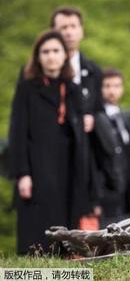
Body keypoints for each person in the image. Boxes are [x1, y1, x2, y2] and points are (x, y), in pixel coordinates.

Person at [8, 30, 97, 255]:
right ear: (38, 57)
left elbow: (82, 132)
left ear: (64, 55)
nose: (51, 56)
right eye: (45, 51)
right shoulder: (28, 88)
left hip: (68, 169)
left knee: (65, 234)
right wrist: (22, 174)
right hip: (37, 168)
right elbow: (17, 132)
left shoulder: (73, 89)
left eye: (56, 51)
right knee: (35, 233)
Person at [93, 68, 130, 227]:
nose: (112, 91)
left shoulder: (123, 118)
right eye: (107, 86)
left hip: (126, 187)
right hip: (105, 187)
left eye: (117, 86)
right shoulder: (95, 118)